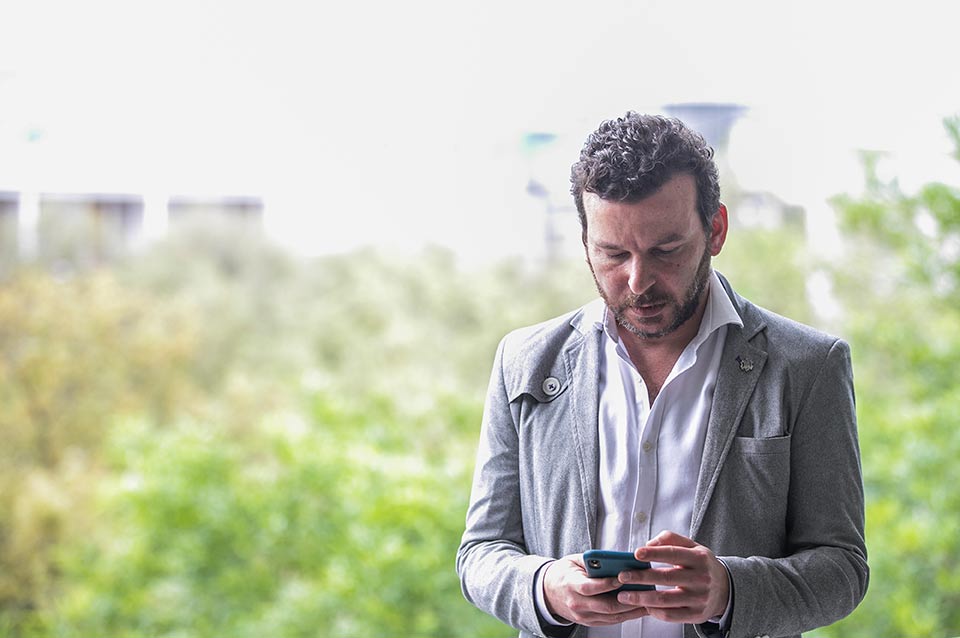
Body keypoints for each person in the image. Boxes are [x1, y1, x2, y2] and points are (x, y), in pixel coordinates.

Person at [456, 112, 868, 638]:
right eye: (612, 253)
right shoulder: (525, 361)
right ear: (585, 241)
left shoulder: (808, 366)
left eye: (665, 251)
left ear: (715, 229)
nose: (637, 280)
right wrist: (544, 588)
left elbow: (842, 568)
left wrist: (728, 590)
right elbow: (480, 553)